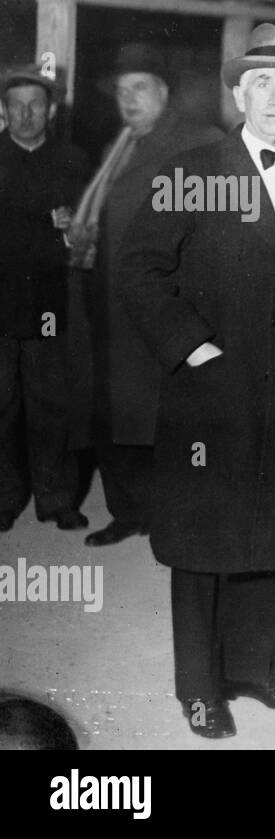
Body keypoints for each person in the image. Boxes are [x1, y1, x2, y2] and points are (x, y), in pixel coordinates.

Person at [118, 24, 275, 738]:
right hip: (210, 394)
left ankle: (254, 669)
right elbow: (139, 268)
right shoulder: (194, 169)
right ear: (239, 92)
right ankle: (198, 687)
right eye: (264, 83)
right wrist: (189, 347)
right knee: (203, 544)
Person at [68, 44, 223, 547]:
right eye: (120, 91)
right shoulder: (119, 147)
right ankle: (128, 512)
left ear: (164, 93)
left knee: (163, 415)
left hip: (161, 301)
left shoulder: (197, 142)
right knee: (117, 412)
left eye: (139, 88)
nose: (128, 99)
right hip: (109, 304)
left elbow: (217, 227)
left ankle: (170, 515)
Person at [0, 66, 90, 534]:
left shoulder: (74, 160)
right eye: (17, 105)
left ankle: (56, 500)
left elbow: (91, 233)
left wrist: (76, 224)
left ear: (51, 111)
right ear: (3, 110)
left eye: (36, 105)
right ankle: (3, 498)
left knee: (50, 405)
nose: (26, 114)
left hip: (51, 306)